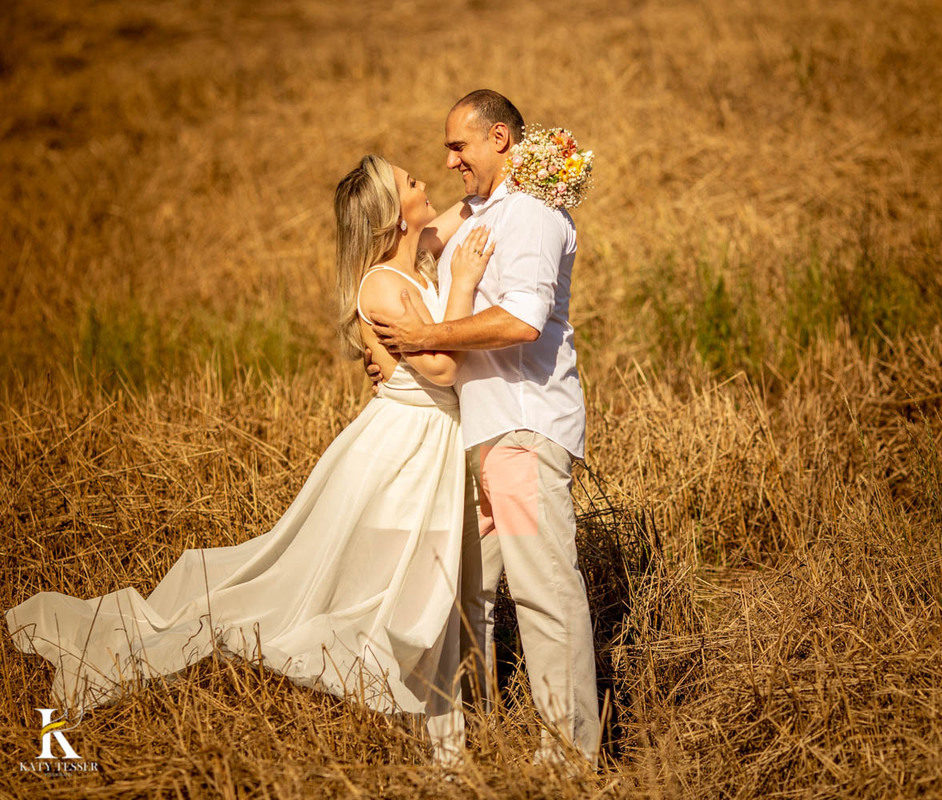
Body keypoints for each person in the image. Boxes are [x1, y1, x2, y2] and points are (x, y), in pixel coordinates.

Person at [5, 154, 493, 764]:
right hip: (402, 456)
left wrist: (526, 169)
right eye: (410, 183)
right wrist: (467, 284)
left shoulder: (411, 260)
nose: (425, 182)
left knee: (419, 592)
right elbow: (444, 366)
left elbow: (465, 212)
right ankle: (415, 731)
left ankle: (435, 734)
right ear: (392, 217)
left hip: (429, 447)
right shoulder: (385, 287)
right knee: (396, 592)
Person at [368, 89, 601, 765]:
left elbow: (523, 320)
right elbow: (405, 240)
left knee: (545, 592)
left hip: (521, 438)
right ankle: (472, 735)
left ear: (500, 138)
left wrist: (425, 336)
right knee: (468, 594)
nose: (448, 162)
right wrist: (380, 337)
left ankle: (568, 759)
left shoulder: (527, 216)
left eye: (458, 146)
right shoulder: (481, 211)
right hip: (487, 439)